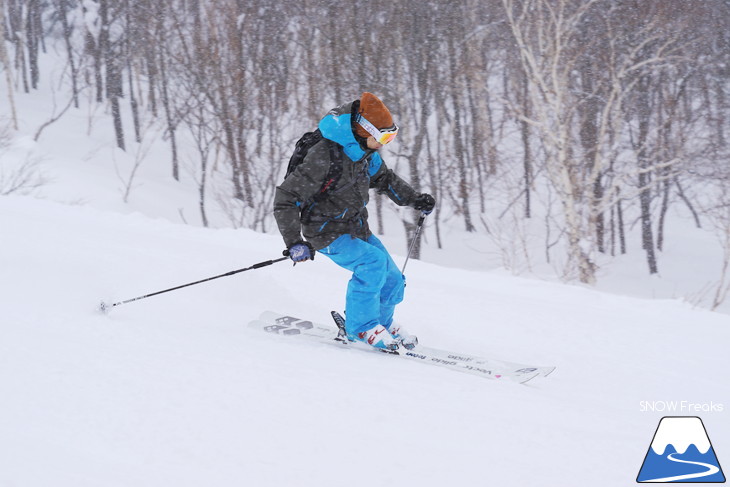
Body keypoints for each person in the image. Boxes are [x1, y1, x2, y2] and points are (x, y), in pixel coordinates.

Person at [273, 92, 435, 351]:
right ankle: (361, 327)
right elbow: (286, 198)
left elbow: (385, 179)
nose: (385, 143)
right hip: (324, 231)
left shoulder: (365, 154)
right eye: (382, 137)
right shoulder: (324, 156)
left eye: (390, 136)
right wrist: (294, 241)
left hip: (355, 227)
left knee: (392, 279)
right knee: (372, 264)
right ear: (363, 131)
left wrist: (415, 200)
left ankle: (382, 321)